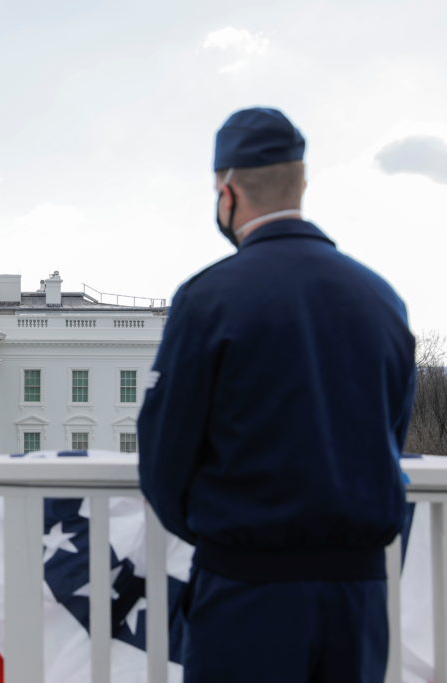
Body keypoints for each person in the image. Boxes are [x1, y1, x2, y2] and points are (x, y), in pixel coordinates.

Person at [137, 107, 415, 683]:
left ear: (227, 189)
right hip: (358, 594)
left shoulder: (209, 298)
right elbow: (391, 437)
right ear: (303, 182)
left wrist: (224, 535)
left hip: (247, 585)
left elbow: (164, 458)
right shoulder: (381, 299)